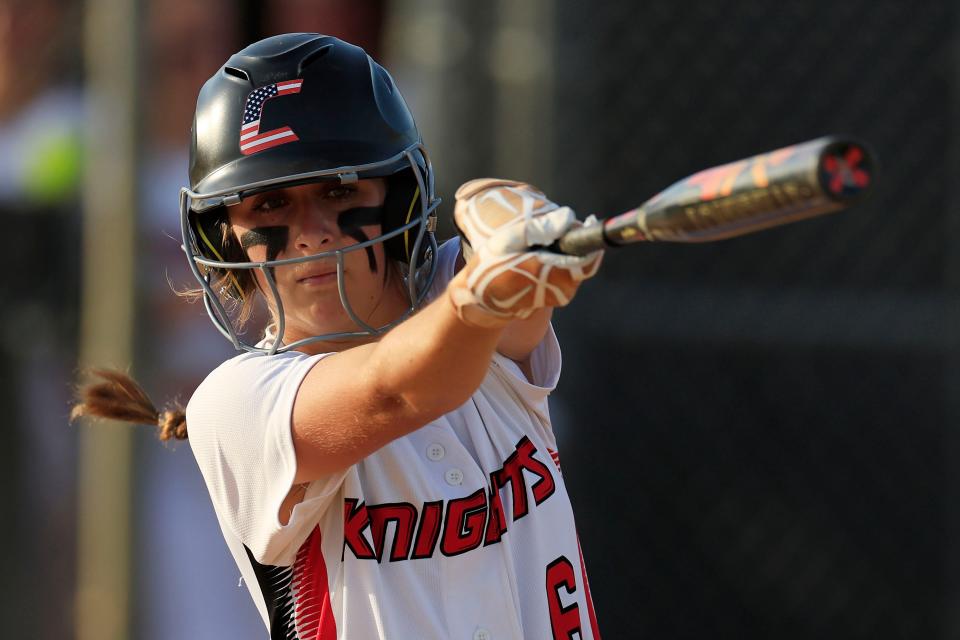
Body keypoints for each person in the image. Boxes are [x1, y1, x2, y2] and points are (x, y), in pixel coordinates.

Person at [75, 33, 604, 639]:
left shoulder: (463, 292)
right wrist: (483, 296)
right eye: (270, 204)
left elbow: (506, 287)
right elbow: (397, 391)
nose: (312, 234)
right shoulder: (238, 403)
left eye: (340, 190)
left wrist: (505, 210)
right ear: (225, 238)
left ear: (398, 193)